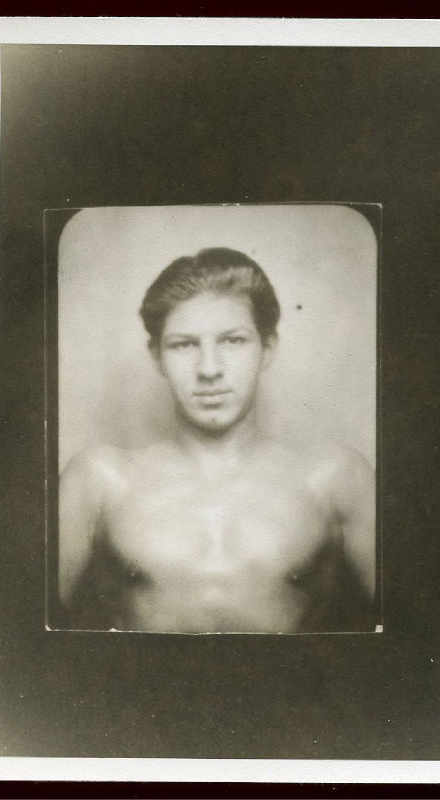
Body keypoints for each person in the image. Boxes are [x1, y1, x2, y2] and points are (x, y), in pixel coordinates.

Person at [58, 247, 376, 633]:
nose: (209, 369)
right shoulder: (101, 480)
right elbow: (27, 635)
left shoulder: (334, 478)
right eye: (184, 344)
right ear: (157, 356)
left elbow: (410, 632)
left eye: (233, 341)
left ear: (268, 348)